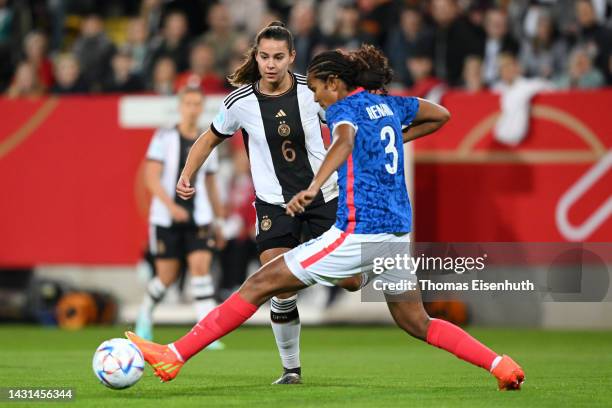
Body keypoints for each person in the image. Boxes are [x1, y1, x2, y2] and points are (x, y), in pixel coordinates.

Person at [126, 44, 526, 391]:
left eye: (317, 90)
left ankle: (173, 355)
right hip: (397, 235)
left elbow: (345, 139)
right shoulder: (389, 104)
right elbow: (440, 115)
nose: (316, 99)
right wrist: (396, 137)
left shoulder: (344, 108)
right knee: (417, 322)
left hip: (358, 232)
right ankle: (500, 365)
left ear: (333, 82)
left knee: (261, 282)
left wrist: (316, 184)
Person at [137, 21, 361, 385]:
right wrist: (186, 174)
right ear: (255, 57)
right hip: (274, 207)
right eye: (263, 56)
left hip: (324, 198)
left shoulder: (311, 92)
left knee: (351, 281)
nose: (270, 64)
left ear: (291, 57)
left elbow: (343, 131)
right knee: (278, 286)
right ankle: (291, 370)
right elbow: (209, 139)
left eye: (277, 57)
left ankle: (312, 272)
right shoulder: (239, 102)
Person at [134, 86, 225, 351]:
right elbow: (151, 177)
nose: (193, 109)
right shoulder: (164, 137)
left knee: (200, 269)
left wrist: (218, 221)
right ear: (180, 106)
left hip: (200, 217)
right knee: (167, 277)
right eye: (189, 103)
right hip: (166, 218)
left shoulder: (210, 139)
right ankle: (145, 314)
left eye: (198, 104)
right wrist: (171, 207)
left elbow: (210, 184)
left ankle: (207, 334)